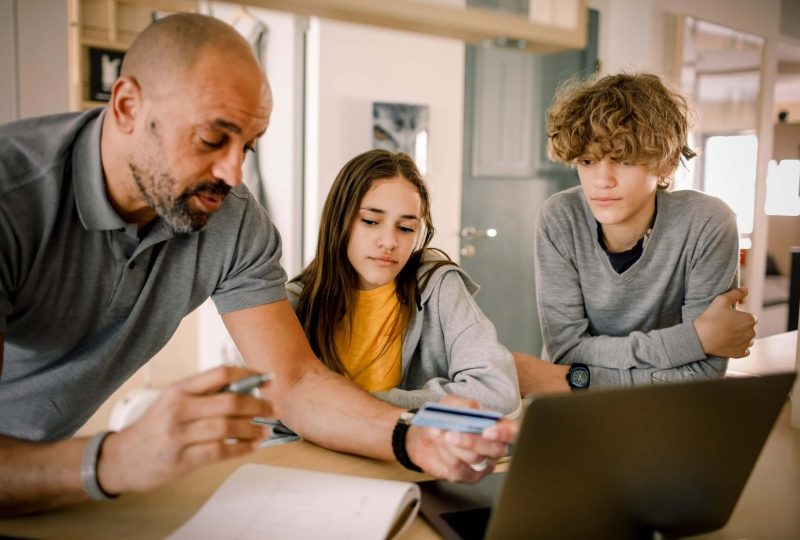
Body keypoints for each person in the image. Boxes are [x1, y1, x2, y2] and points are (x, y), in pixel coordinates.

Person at [0, 13, 516, 516]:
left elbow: (293, 383)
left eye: (247, 144)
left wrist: (410, 437)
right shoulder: (13, 201)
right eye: (211, 139)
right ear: (128, 105)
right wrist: (117, 458)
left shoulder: (233, 219)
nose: (233, 172)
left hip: (53, 471)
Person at [514, 72, 757, 394]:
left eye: (624, 160)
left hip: (657, 410)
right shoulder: (561, 218)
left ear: (667, 164)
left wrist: (569, 381)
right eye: (587, 160)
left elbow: (703, 373)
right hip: (573, 408)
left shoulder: (708, 223)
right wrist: (695, 339)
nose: (602, 180)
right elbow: (566, 351)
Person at [289, 149, 520, 414]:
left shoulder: (437, 284)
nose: (389, 242)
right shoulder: (295, 302)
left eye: (406, 228)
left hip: (406, 450)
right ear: (339, 220)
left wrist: (361, 407)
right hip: (316, 453)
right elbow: (271, 412)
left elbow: (498, 391)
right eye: (370, 221)